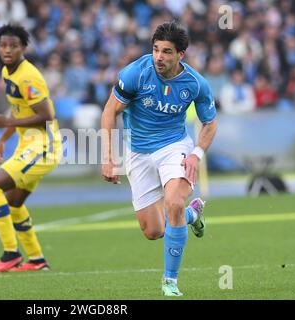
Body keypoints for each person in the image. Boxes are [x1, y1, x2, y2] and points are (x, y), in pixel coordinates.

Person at [101, 21, 217, 296]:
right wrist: (108, 158)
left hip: (173, 146)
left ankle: (170, 281)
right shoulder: (135, 74)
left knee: (174, 203)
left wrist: (195, 155)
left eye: (166, 52)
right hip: (138, 152)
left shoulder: (195, 84)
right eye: (156, 50)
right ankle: (193, 215)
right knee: (153, 231)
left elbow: (210, 123)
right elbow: (109, 111)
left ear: (180, 55)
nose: (159, 57)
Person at [0, 24, 62, 273]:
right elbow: (18, 110)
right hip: (30, 144)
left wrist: (9, 123)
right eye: (3, 45)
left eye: (13, 46)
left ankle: (10, 253)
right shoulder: (8, 72)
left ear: (23, 48)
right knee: (13, 203)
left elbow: (46, 116)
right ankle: (37, 260)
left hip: (44, 145)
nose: (7, 50)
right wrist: (4, 138)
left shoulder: (28, 76)